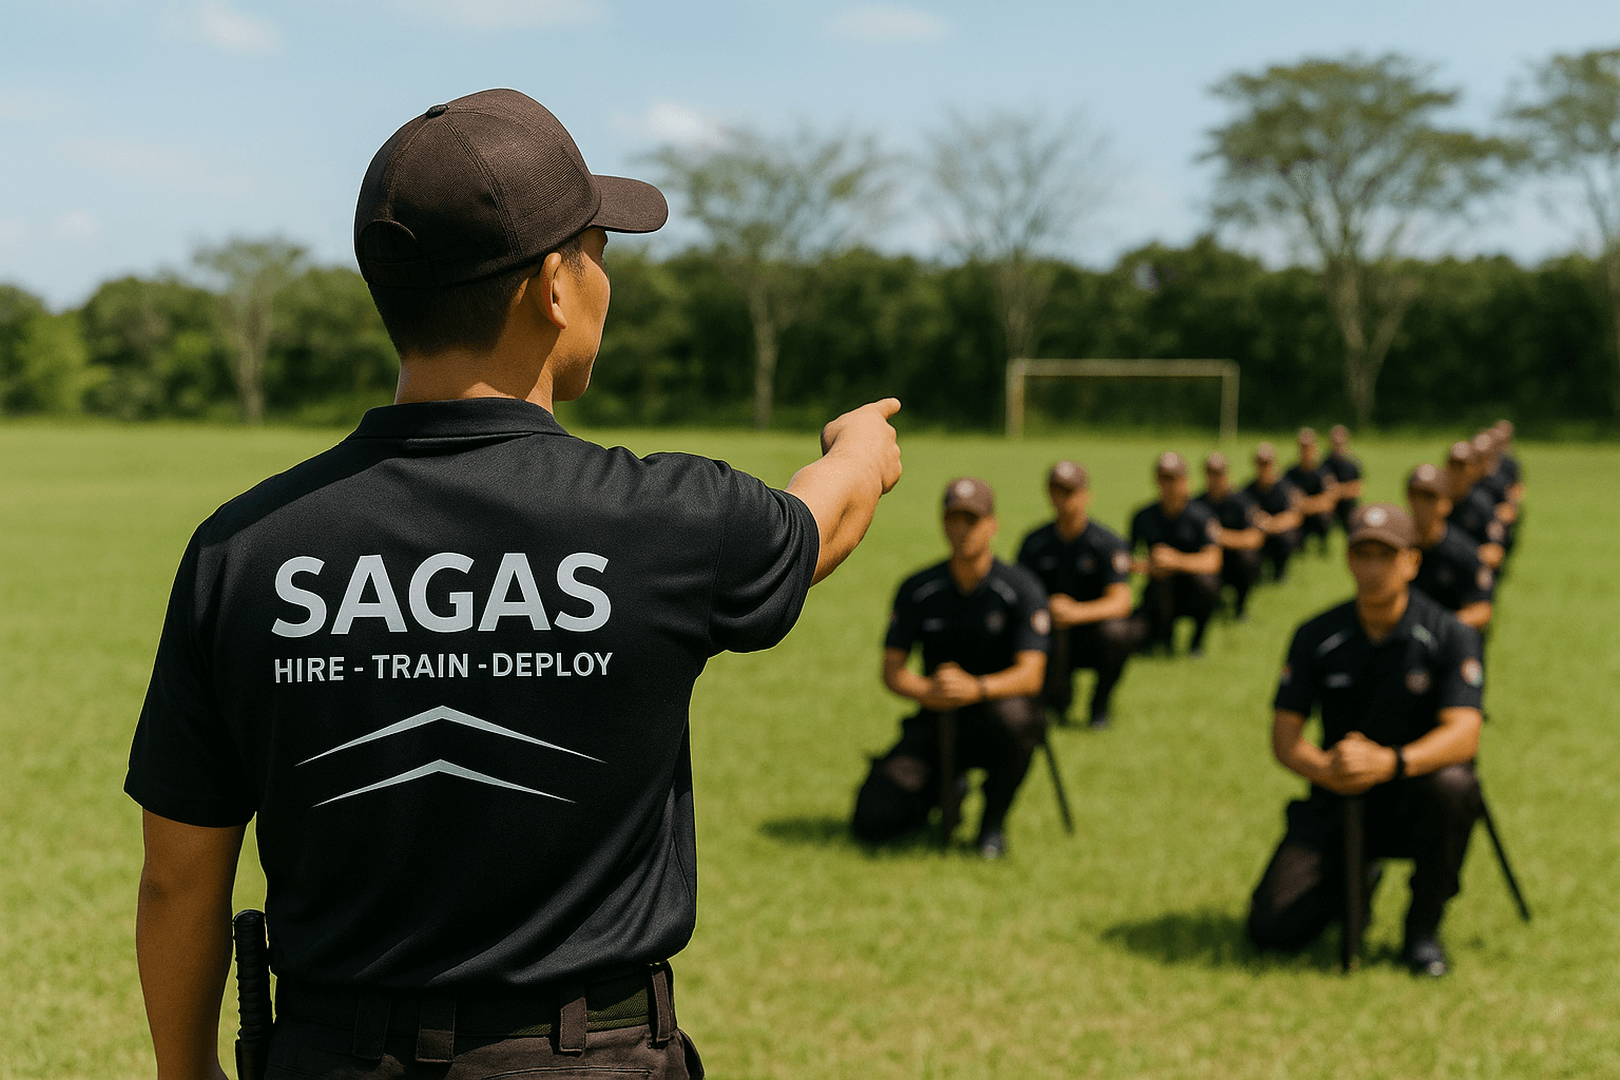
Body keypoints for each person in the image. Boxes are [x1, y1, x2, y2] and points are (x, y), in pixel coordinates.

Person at [125, 89, 904, 1080]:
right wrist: (862, 448)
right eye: (598, 254)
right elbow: (819, 519)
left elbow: (178, 879)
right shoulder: (669, 522)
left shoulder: (240, 551)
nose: (604, 284)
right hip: (589, 1059)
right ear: (550, 284)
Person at [1246, 504, 1485, 977]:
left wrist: (1390, 763)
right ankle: (1356, 879)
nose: (1373, 569)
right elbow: (1284, 736)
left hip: (1413, 795)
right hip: (1336, 794)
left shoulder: (1449, 634)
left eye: (1386, 555)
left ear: (1412, 562)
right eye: (1363, 554)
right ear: (1349, 560)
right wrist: (1325, 769)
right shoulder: (1317, 635)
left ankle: (1421, 930)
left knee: (1455, 786)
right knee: (1271, 929)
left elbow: (1464, 734)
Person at [852, 478, 1050, 858]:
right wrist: (928, 691)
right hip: (935, 717)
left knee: (1017, 718)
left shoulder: (1021, 588)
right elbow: (893, 671)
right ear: (943, 524)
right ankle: (943, 792)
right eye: (953, 519)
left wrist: (975, 688)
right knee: (872, 820)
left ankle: (992, 823)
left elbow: (1031, 674)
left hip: (995, 716)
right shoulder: (918, 588)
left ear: (993, 525)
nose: (961, 530)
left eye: (971, 520)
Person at [1017, 460, 1144, 729]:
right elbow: (1018, 597)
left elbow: (1121, 601)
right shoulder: (1034, 543)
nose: (1064, 500)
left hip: (1091, 634)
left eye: (1071, 492)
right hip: (1048, 632)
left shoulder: (1107, 542)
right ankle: (1052, 700)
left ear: (1087, 495)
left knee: (1119, 632)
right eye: (1058, 491)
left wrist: (1076, 612)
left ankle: (1100, 704)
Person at [1129, 452, 1222, 656]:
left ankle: (1196, 641)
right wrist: (1149, 567)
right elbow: (1126, 560)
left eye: (1174, 478)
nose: (1169, 485)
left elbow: (1213, 561)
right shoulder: (1143, 516)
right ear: (1156, 480)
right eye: (1164, 478)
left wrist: (1175, 561)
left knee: (1210, 584)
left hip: (1192, 589)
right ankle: (1163, 638)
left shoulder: (1201, 515)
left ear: (1186, 480)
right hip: (1157, 590)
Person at [1407, 465, 1494, 631]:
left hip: (1446, 638)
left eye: (1429, 497)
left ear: (1446, 503)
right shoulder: (1397, 548)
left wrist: (1438, 629)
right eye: (1415, 495)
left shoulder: (1464, 552)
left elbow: (1482, 610)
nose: (1420, 504)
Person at [1193, 452, 1265, 621]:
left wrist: (1221, 537)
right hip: (1206, 559)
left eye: (1219, 472)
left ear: (1228, 473)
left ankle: (1240, 606)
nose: (1215, 478)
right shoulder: (1198, 503)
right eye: (1211, 473)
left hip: (1234, 558)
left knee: (1248, 558)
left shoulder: (1242, 501)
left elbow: (1256, 537)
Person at [1243, 442, 1304, 583]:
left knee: (1288, 536)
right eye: (1261, 463)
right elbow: (1247, 512)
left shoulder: (1285, 487)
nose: (1264, 467)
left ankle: (1280, 570)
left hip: (1279, 530)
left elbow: (1295, 515)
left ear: (1274, 463)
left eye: (1267, 463)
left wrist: (1272, 524)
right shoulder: (1248, 489)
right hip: (1258, 532)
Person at [1444, 440, 1506, 570]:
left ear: (1471, 469)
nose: (1456, 472)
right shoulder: (1436, 500)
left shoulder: (1482, 503)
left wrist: (1470, 555)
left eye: (1462, 467)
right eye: (1453, 465)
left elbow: (1496, 552)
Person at [1285, 427, 1339, 554]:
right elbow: (1289, 498)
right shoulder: (1290, 472)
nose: (1306, 450)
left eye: (1309, 447)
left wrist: (1306, 504)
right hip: (1299, 515)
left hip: (1315, 513)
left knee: (1326, 515)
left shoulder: (1324, 472)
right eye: (1303, 447)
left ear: (1315, 448)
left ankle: (1323, 542)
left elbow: (1330, 499)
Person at [1324, 424, 1364, 533]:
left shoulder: (1353, 464)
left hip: (1348, 505)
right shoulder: (1325, 463)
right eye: (1335, 441)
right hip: (1330, 505)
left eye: (1340, 442)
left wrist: (1337, 490)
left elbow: (1357, 490)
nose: (1338, 444)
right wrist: (1345, 489)